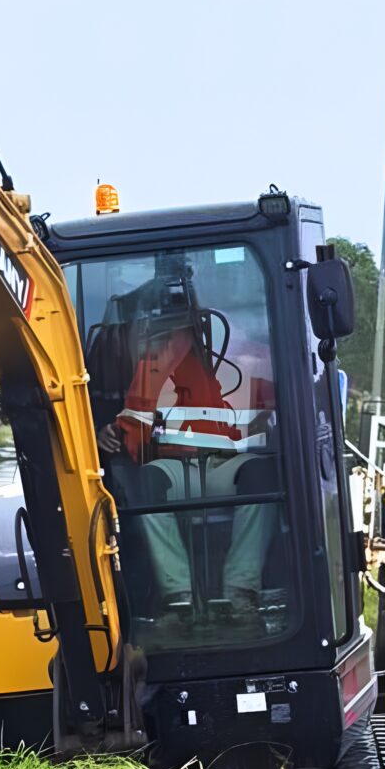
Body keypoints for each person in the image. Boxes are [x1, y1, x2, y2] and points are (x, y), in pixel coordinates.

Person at [92, 267, 276, 639]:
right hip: (175, 469)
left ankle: (241, 591)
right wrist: (114, 431)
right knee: (146, 484)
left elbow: (268, 412)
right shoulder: (155, 361)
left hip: (226, 464)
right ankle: (179, 596)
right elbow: (137, 421)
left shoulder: (245, 353)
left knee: (264, 476)